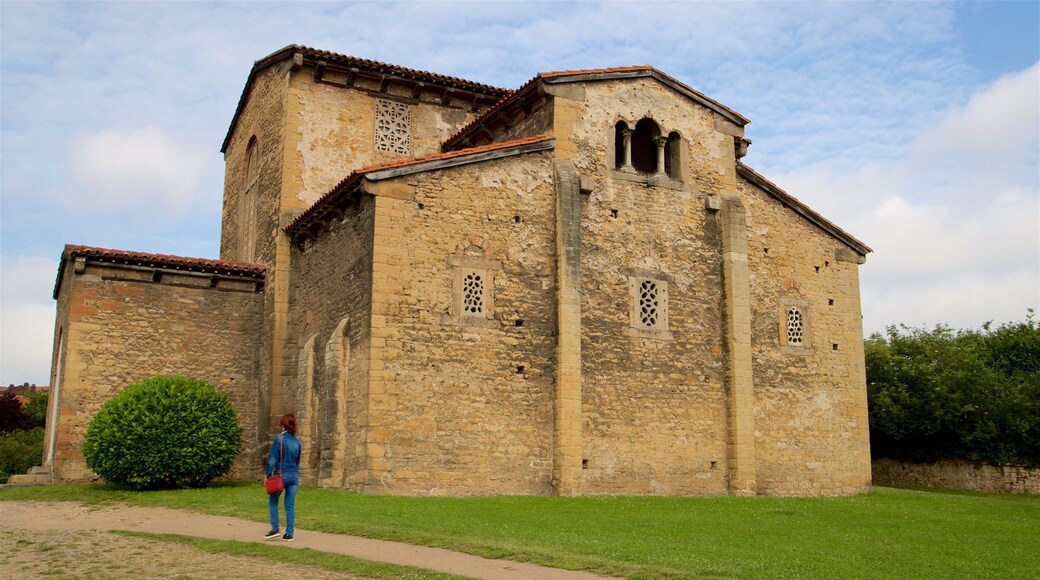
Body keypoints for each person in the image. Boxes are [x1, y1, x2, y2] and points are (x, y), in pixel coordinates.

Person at [264, 413, 301, 542]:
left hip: (281, 474)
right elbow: (297, 461)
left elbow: (272, 460)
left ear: (283, 424)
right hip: (294, 476)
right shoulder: (297, 442)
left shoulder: (279, 439)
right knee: (289, 505)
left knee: (273, 501)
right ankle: (289, 534)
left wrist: (267, 474)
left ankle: (275, 529)